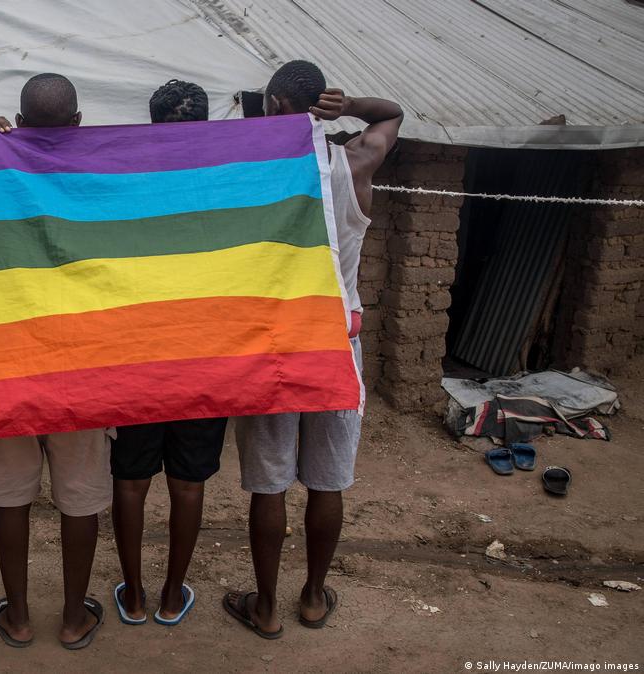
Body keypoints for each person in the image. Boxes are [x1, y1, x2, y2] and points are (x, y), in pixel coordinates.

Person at [223, 60, 403, 638]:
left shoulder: (253, 175)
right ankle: (313, 596)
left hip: (274, 345)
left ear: (274, 106)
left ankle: (267, 607)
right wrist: (348, 106)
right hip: (336, 342)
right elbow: (392, 113)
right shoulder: (354, 165)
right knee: (327, 481)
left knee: (270, 482)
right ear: (323, 106)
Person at [0, 73, 110, 651]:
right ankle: (74, 618)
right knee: (80, 493)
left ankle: (20, 617)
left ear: (18, 123)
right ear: (78, 124)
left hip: (7, 364)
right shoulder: (101, 173)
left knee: (10, 494)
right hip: (84, 364)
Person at [107, 79, 224, 628]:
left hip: (137, 356)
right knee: (188, 481)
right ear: (204, 125)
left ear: (151, 122)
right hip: (205, 356)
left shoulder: (127, 180)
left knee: (130, 480)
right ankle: (172, 596)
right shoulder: (225, 185)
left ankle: (132, 597)